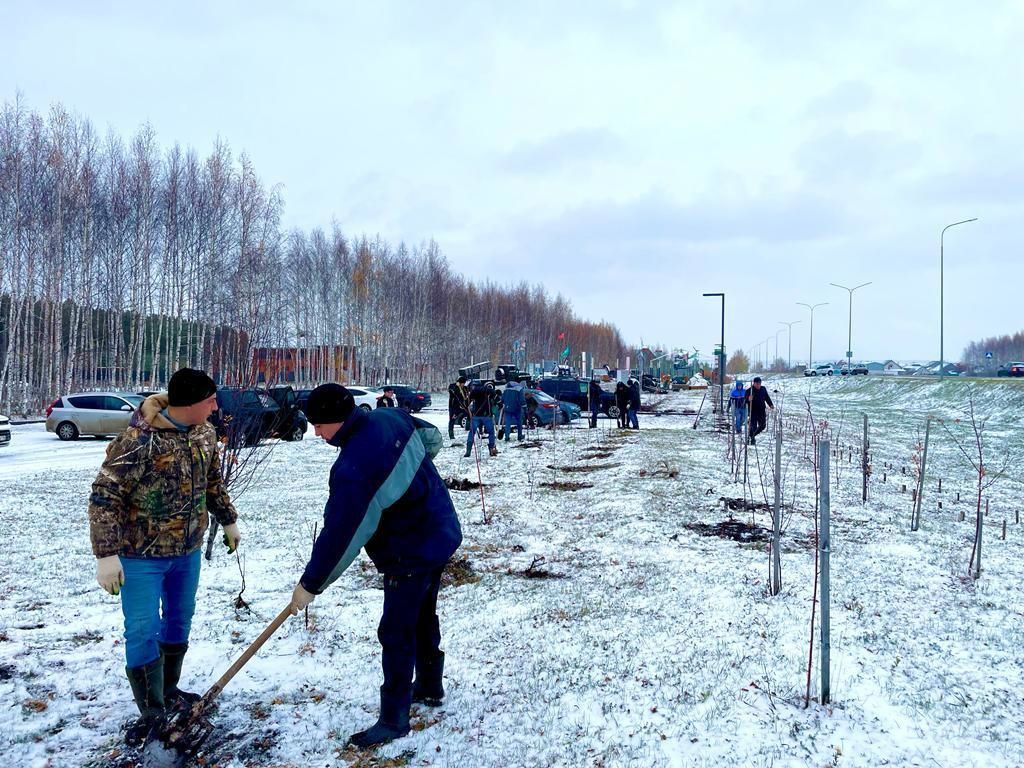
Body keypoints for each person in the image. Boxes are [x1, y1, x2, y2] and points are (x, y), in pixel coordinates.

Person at [289, 384, 462, 748]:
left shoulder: (354, 466)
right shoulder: (389, 417)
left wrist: (311, 584)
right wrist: (406, 479)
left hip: (410, 549)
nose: (316, 432)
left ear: (339, 419)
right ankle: (430, 686)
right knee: (423, 615)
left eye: (320, 425)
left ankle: (394, 718)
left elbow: (341, 534)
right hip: (441, 528)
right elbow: (430, 438)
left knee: (396, 632)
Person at [88, 368, 241, 744]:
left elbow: (212, 481)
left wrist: (228, 521)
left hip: (186, 552)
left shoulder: (204, 432)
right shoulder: (138, 440)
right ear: (190, 404)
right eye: (210, 401)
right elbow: (104, 495)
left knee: (178, 621)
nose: (216, 406)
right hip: (141, 556)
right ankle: (152, 709)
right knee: (141, 629)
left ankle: (168, 690)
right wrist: (106, 555)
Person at [465, 381, 498, 457]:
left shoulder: (473, 392)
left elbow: (466, 403)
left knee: (472, 432)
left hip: (476, 415)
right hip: (487, 415)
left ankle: (468, 450)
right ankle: (491, 449)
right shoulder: (489, 390)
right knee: (491, 432)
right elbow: (497, 399)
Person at [746, 376, 775, 445]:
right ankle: (752, 439)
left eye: (760, 383)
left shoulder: (763, 389)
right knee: (754, 426)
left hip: (761, 411)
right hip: (753, 411)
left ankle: (751, 436)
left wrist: (771, 404)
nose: (759, 385)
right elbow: (744, 401)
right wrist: (748, 399)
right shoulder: (749, 391)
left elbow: (767, 397)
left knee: (763, 425)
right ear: (754, 383)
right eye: (757, 384)